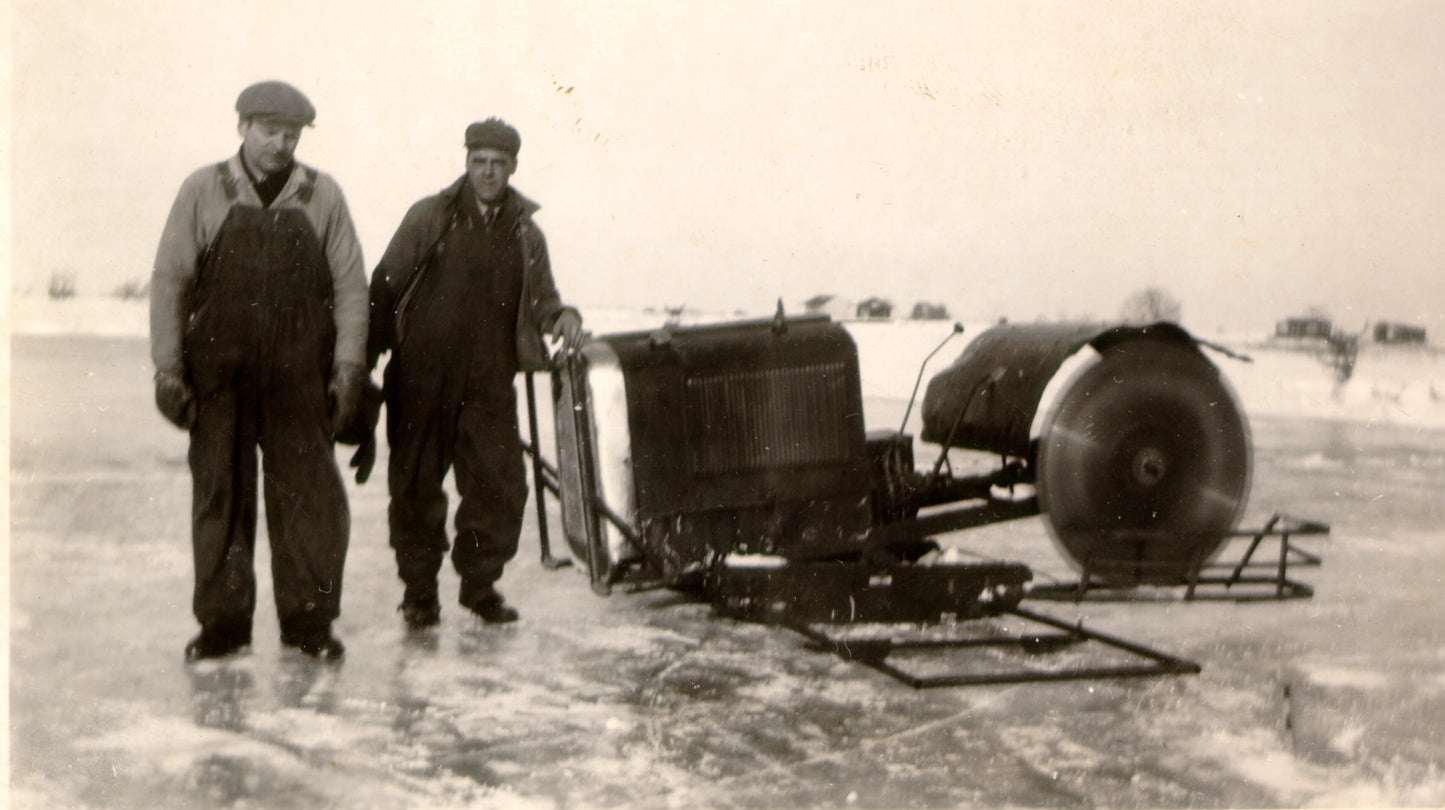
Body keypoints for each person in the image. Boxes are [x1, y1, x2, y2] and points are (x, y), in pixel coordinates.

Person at [150, 80, 369, 661]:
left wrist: (348, 367)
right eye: (270, 130)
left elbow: (350, 286)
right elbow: (171, 279)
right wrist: (168, 369)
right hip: (219, 374)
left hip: (300, 376)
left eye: (291, 134)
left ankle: (309, 622)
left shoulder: (322, 195)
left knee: (309, 499)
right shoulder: (204, 188)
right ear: (243, 126)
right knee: (221, 494)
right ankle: (223, 625)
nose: (281, 143)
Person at [367, 118, 583, 630]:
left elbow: (544, 300)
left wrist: (563, 316)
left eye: (498, 164)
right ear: (465, 162)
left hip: (489, 380)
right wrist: (366, 358)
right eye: (478, 162)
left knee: (501, 485)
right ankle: (420, 593)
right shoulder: (431, 216)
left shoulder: (526, 231)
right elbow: (385, 284)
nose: (487, 173)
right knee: (417, 488)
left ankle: (479, 584)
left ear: (512, 167)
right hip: (421, 379)